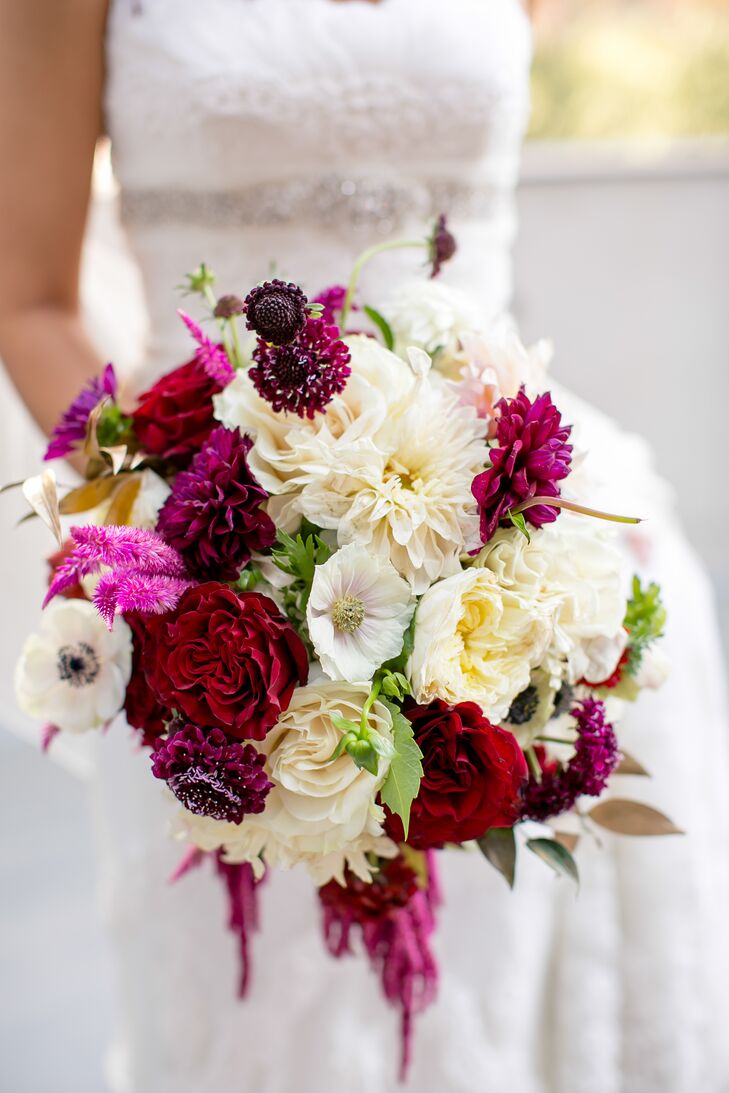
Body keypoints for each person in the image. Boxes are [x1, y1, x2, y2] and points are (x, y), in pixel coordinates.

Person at [1, 2, 729, 1091]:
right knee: (244, 1011)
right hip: (201, 592)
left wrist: (477, 522)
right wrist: (199, 544)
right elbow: (30, 296)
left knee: (500, 1000)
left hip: (518, 566)